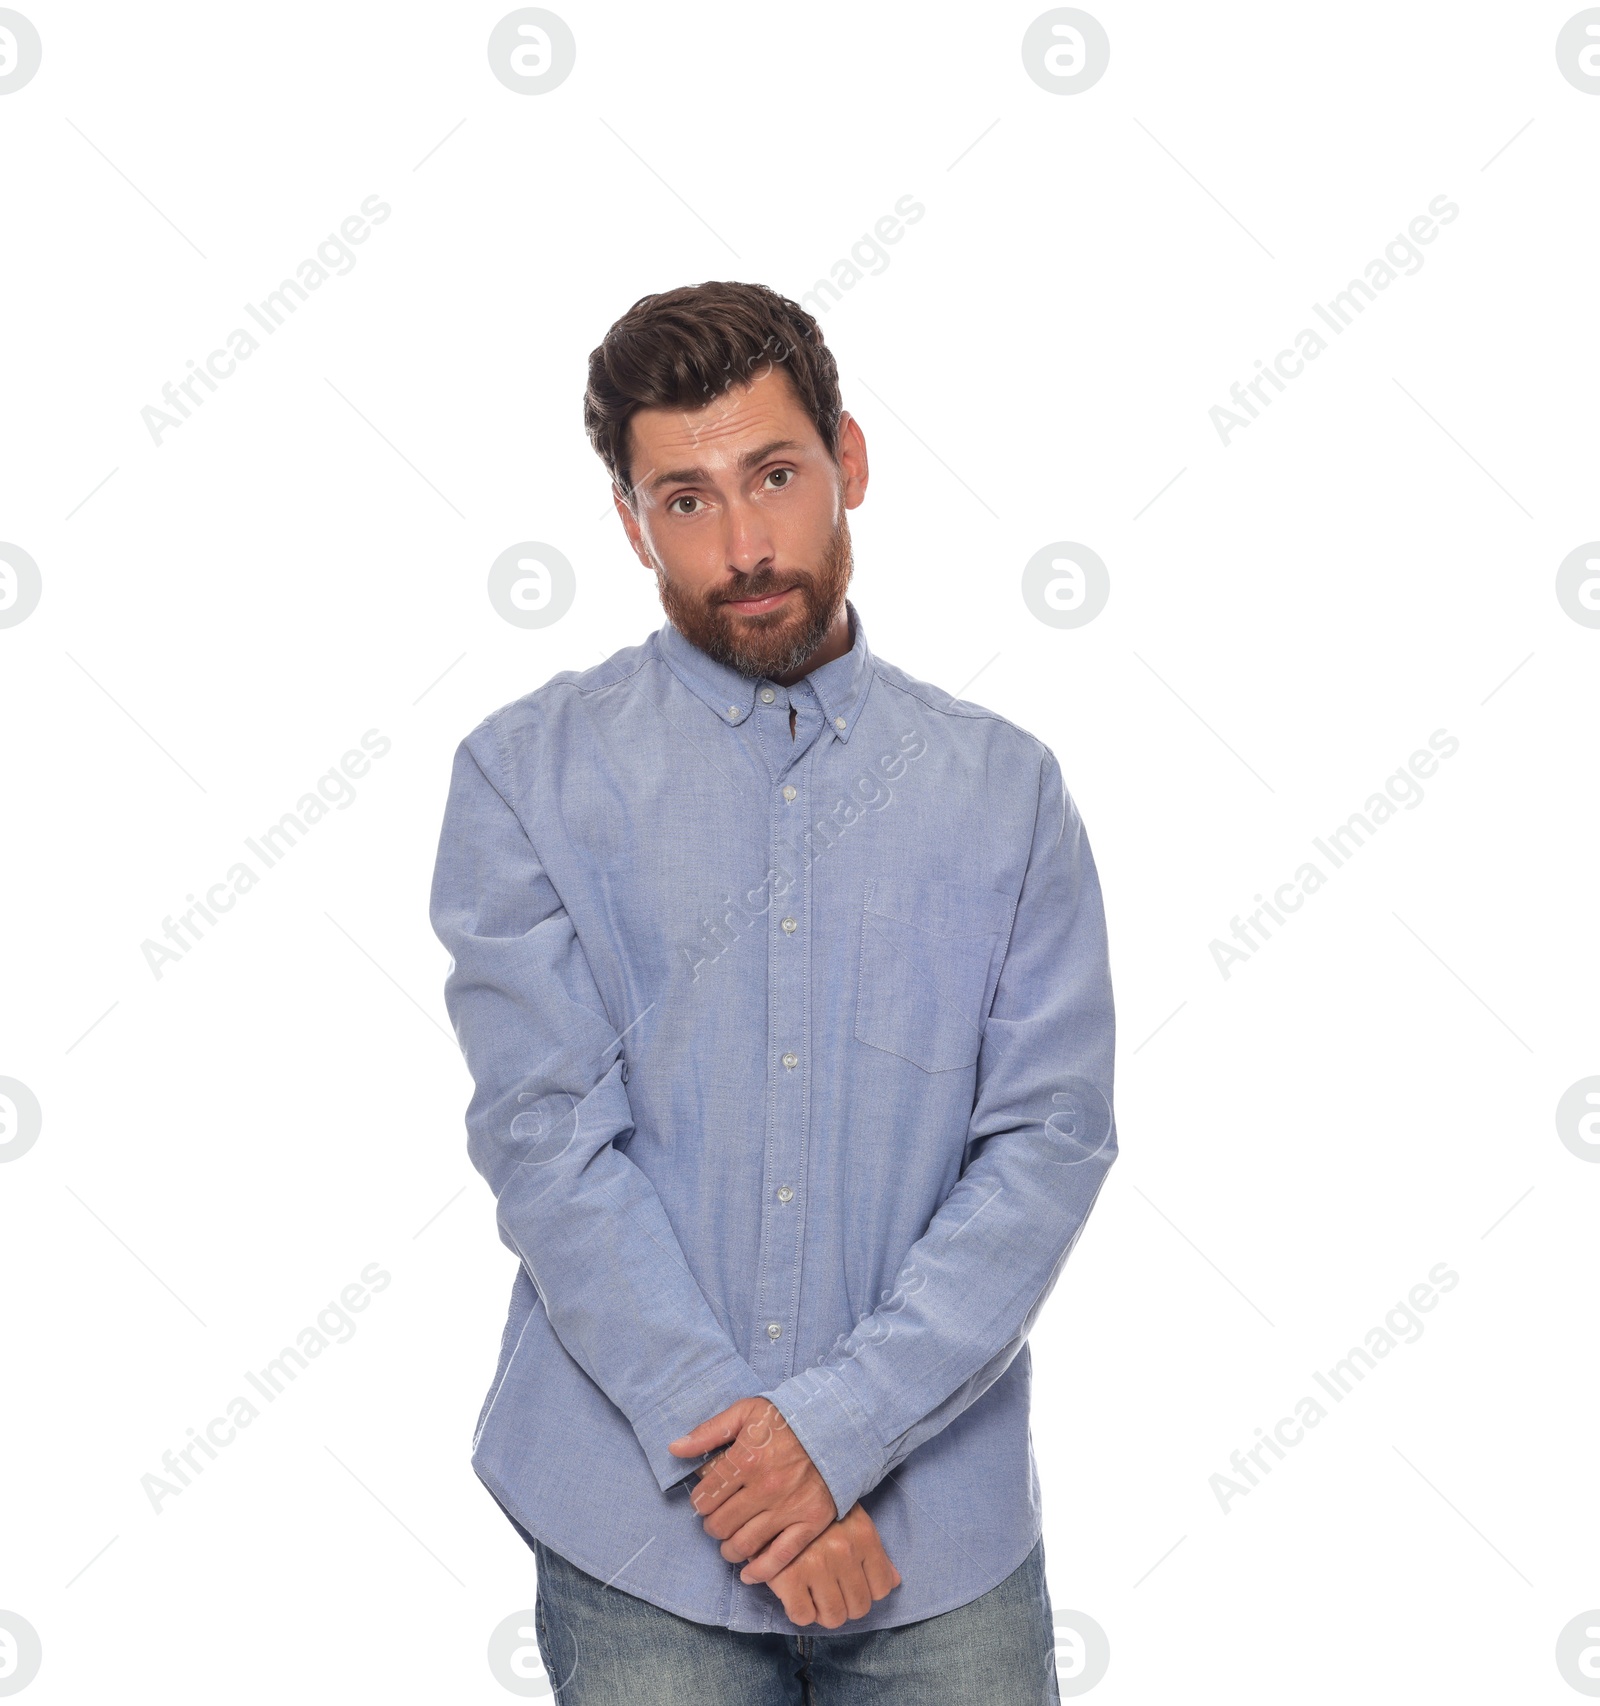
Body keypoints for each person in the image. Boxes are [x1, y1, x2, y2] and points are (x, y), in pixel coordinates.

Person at [428, 280, 1118, 1703]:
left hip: (941, 1532)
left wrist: (842, 1428)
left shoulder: (1008, 793)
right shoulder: (522, 778)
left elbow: (1048, 1140)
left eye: (775, 478)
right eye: (683, 500)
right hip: (641, 1526)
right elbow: (547, 1141)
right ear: (629, 523)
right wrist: (754, 1464)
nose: (743, 546)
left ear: (849, 460)